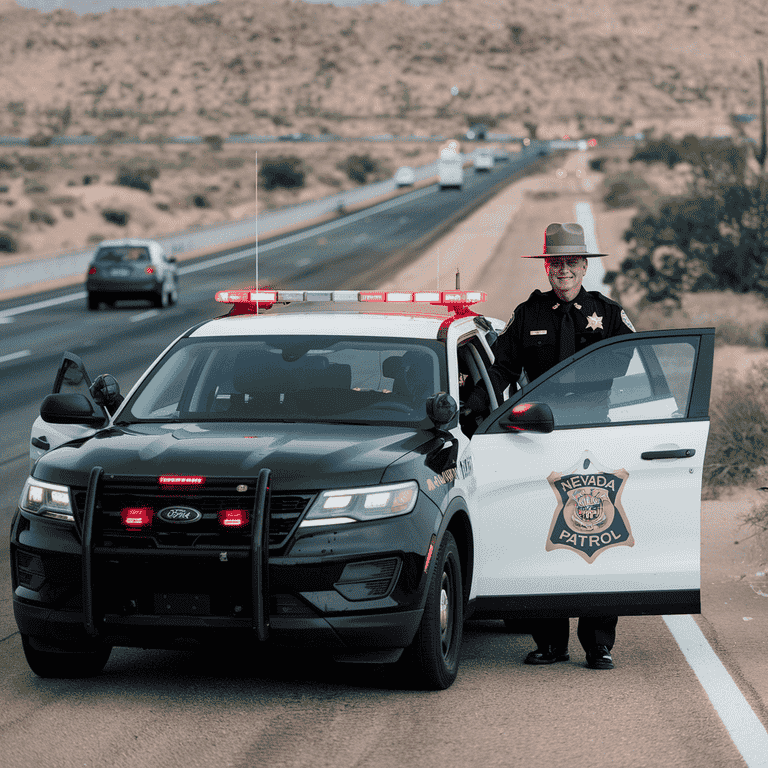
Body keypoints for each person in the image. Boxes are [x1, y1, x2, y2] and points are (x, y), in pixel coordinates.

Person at [463, 222, 636, 670]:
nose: (562, 271)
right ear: (547, 266)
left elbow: (633, 363)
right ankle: (550, 642)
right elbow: (500, 371)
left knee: (596, 533)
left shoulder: (609, 314)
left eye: (570, 263)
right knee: (545, 536)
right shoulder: (528, 316)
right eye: (555, 263)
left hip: (595, 439)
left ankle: (598, 643)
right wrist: (469, 410)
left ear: (584, 266)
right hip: (540, 439)